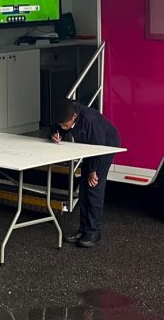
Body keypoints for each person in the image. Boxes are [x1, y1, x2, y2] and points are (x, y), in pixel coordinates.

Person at [51, 99, 120, 248]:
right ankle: (83, 229)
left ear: (74, 117)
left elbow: (99, 146)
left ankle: (94, 232)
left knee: (94, 187)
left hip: (105, 147)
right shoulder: (66, 110)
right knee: (83, 189)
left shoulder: (90, 120)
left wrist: (92, 171)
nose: (63, 127)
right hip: (90, 148)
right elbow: (58, 126)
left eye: (65, 125)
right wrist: (56, 134)